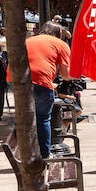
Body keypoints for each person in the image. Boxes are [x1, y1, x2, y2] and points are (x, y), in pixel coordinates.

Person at [26, 22, 71, 156]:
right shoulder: (61, 44)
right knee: (43, 118)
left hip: (17, 80)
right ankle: (45, 155)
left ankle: (29, 152)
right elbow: (65, 75)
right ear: (59, 34)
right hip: (40, 82)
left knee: (28, 117)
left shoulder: (29, 40)